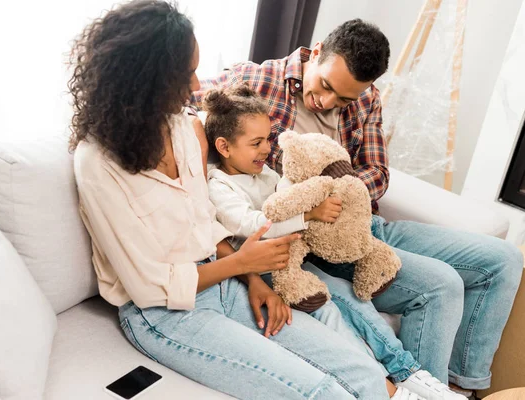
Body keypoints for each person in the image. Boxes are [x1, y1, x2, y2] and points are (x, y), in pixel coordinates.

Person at [68, 2, 401, 399]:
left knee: (363, 373)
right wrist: (242, 263)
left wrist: (253, 281)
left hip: (224, 280)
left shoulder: (184, 130)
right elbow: (147, 287)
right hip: (165, 315)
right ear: (146, 78)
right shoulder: (97, 163)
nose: (196, 86)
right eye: (186, 73)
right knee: (321, 392)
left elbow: (205, 220)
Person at [191, 18, 524, 398]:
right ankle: (417, 387)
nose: (329, 102)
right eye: (326, 86)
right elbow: (189, 106)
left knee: (503, 259)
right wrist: (309, 201)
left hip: (361, 221)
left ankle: (463, 387)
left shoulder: (366, 99)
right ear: (316, 53)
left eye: (344, 99)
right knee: (441, 285)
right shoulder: (258, 81)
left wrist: (339, 189)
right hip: (310, 238)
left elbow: (378, 173)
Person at [203, 83, 466, 400]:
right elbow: (251, 224)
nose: (266, 149)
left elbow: (286, 192)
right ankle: (385, 385)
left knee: (344, 293)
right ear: (224, 146)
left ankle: (405, 372)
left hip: (293, 258)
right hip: (266, 265)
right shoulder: (219, 185)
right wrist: (309, 214)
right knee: (332, 303)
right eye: (256, 142)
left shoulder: (264, 175)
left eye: (269, 140)